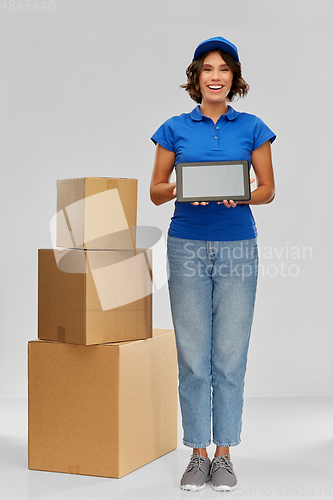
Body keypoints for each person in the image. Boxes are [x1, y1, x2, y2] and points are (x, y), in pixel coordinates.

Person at [150, 36, 276, 492]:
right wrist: (186, 185)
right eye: (207, 69)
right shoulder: (174, 127)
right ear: (196, 77)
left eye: (223, 69)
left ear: (234, 77)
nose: (215, 76)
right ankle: (197, 452)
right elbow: (156, 190)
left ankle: (224, 454)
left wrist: (239, 193)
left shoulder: (253, 127)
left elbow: (267, 188)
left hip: (239, 245)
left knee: (229, 355)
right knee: (192, 355)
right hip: (185, 244)